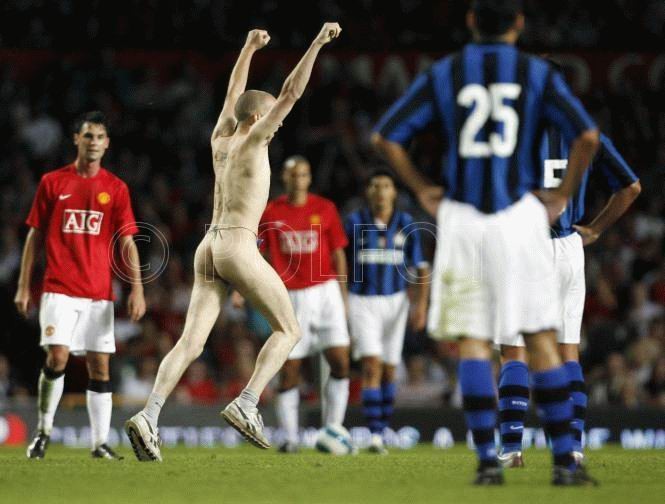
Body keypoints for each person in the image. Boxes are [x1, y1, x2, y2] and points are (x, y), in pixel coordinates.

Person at [371, 0, 600, 486]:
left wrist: (422, 188)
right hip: (520, 216)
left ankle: (488, 463)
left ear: (472, 21)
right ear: (519, 23)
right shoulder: (536, 75)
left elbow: (385, 137)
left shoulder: (447, 72)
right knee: (542, 339)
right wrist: (563, 193)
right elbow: (586, 136)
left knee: (475, 342)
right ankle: (565, 462)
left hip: (464, 218)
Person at [124, 23, 342, 461]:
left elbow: (231, 95)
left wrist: (248, 48)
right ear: (259, 118)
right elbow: (291, 92)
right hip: (239, 244)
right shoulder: (256, 140)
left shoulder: (220, 138)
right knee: (289, 329)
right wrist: (316, 43)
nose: (278, 123)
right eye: (272, 117)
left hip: (208, 245)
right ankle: (247, 402)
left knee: (190, 343)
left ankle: (149, 415)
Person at [496, 131, 641, 467]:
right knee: (567, 353)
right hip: (568, 249)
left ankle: (512, 449)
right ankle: (571, 447)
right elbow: (631, 188)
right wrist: (596, 228)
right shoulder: (586, 133)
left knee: (514, 351)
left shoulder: (513, 126)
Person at [15, 111, 145, 460]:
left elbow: (128, 241)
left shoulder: (115, 188)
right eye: (88, 136)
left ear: (107, 143)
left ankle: (99, 443)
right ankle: (43, 433)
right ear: (76, 139)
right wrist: (24, 286)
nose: (94, 142)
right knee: (57, 356)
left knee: (100, 366)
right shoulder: (53, 182)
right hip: (59, 288)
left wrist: (137, 289)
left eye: (100, 137)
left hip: (98, 293)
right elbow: (34, 235)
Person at [257, 155, 350, 453]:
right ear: (284, 178)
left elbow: (338, 253)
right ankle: (289, 437)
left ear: (309, 178)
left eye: (304, 174)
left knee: (341, 361)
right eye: (294, 174)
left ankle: (333, 430)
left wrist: (343, 295)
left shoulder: (325, 208)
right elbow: (258, 254)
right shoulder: (271, 212)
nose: (299, 179)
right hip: (290, 296)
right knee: (289, 369)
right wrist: (242, 289)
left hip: (326, 291)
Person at [344, 170, 429, 454]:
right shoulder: (354, 223)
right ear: (368, 192)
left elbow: (422, 268)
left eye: (386, 185)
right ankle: (375, 436)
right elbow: (339, 260)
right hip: (362, 300)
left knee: (390, 371)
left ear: (394, 192)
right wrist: (342, 300)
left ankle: (382, 429)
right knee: (372, 365)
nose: (380, 190)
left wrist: (421, 305)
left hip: (396, 302)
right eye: (375, 185)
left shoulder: (406, 224)